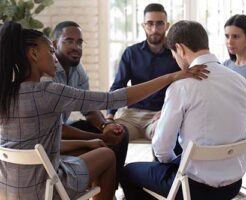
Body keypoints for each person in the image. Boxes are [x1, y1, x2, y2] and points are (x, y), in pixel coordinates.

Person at [0, 21, 207, 200]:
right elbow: (114, 98)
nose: (54, 57)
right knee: (107, 156)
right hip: (46, 188)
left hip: (8, 188)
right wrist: (171, 77)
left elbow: (35, 145)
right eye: (50, 51)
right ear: (34, 54)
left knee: (93, 150)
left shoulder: (6, 91)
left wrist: (87, 141)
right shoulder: (49, 91)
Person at [120, 20, 246, 200]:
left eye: (174, 53)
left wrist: (173, 164)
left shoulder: (182, 86)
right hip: (233, 184)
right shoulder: (240, 81)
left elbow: (161, 148)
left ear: (180, 49)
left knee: (128, 173)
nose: (175, 58)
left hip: (193, 189)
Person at [52, 21, 128, 188]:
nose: (76, 47)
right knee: (105, 147)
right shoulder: (46, 72)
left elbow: (89, 109)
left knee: (120, 134)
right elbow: (56, 128)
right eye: (69, 41)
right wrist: (100, 138)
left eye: (79, 42)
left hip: (62, 128)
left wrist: (104, 126)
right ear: (54, 44)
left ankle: (110, 189)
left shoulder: (77, 69)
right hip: (52, 136)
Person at [107, 3, 180, 141]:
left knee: (164, 137)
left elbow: (184, 88)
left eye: (159, 24)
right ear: (143, 25)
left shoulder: (176, 55)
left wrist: (169, 111)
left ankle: (159, 164)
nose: (154, 29)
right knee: (113, 136)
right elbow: (118, 85)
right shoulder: (131, 53)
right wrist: (110, 115)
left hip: (160, 114)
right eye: (150, 24)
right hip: (131, 115)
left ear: (167, 25)